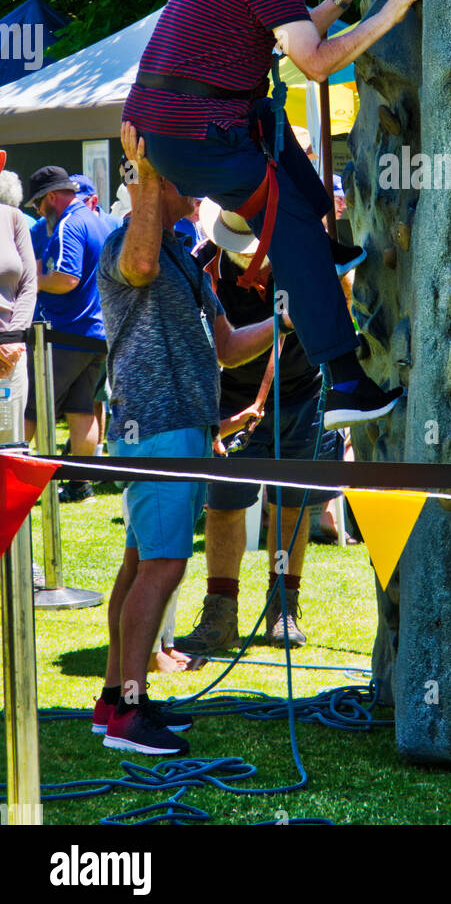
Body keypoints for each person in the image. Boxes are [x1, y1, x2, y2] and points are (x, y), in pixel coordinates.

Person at [121, 0, 419, 430]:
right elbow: (315, 61)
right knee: (290, 226)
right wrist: (390, 12)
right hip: (197, 134)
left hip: (174, 127)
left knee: (269, 121)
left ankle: (324, 248)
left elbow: (297, 31)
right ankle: (346, 381)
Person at [94, 124, 278, 756]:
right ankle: (129, 714)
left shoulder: (183, 254)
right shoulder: (131, 245)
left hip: (175, 429)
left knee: (140, 563)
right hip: (158, 429)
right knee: (164, 566)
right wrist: (146, 168)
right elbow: (139, 265)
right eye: (185, 174)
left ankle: (115, 700)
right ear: (159, 182)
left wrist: (283, 324)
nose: (198, 187)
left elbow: (225, 348)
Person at [173, 200, 347, 655]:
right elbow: (216, 349)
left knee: (292, 505)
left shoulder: (302, 254)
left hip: (304, 391)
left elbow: (343, 300)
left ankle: (282, 608)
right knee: (225, 506)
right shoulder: (203, 266)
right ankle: (220, 613)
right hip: (230, 399)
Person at [23, 165, 113, 502]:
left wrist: (31, 282)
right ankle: (80, 486)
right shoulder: (97, 221)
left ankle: (7, 488)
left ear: (50, 198)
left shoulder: (70, 224)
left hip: (67, 334)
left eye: (36, 203)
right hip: (97, 334)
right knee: (81, 411)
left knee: (28, 409)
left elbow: (66, 278)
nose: (36, 210)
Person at [0, 148, 37, 446]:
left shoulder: (13, 218)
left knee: (9, 444)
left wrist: (13, 340)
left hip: (9, 353)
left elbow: (28, 283)